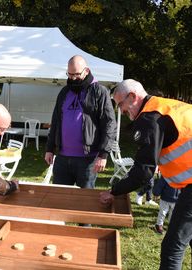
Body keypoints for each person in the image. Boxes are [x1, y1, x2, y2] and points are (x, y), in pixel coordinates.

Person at [99, 79, 192, 270]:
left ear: (133, 97)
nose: (124, 113)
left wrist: (114, 191)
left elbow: (144, 172)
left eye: (122, 107)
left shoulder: (150, 117)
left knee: (172, 247)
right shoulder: (165, 106)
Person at [45, 55, 116, 189]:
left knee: (85, 201)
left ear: (87, 71)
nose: (73, 78)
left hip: (88, 159)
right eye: (69, 74)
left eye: (76, 74)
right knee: (59, 198)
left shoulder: (99, 92)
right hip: (62, 158)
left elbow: (109, 124)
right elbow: (55, 122)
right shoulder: (64, 92)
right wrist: (49, 149)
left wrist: (103, 154)